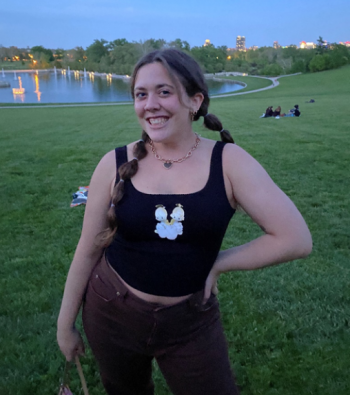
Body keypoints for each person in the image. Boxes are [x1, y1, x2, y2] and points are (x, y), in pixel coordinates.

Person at [57, 49, 312, 395]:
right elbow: (88, 249)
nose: (150, 105)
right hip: (111, 312)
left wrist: (218, 263)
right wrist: (65, 323)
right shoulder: (114, 163)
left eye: (164, 91)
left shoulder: (228, 162)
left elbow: (295, 237)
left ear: (195, 101)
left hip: (191, 321)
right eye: (141, 94)